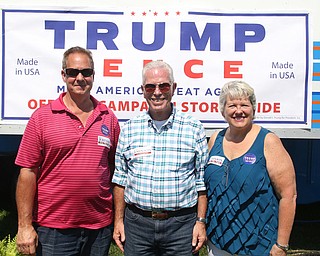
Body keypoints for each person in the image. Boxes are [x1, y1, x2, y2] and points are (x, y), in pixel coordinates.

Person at [15, 46, 120, 255]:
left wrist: (117, 220)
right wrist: (24, 226)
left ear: (93, 75)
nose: (80, 78)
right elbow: (27, 173)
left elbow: (115, 169)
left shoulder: (107, 117)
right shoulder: (42, 118)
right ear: (64, 75)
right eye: (73, 72)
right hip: (54, 229)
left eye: (86, 72)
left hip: (98, 228)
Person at [112, 60, 208, 255]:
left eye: (163, 85)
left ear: (173, 88)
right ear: (143, 90)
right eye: (150, 86)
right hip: (137, 225)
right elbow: (120, 180)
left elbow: (202, 182)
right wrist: (119, 221)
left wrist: (200, 222)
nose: (157, 92)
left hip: (181, 226)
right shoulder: (130, 128)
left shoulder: (193, 128)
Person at [204, 80, 297, 256]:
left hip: (257, 246)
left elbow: (288, 196)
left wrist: (282, 245)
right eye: (232, 105)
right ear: (223, 110)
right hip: (217, 243)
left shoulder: (268, 141)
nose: (238, 111)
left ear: (253, 109)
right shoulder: (215, 139)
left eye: (244, 105)